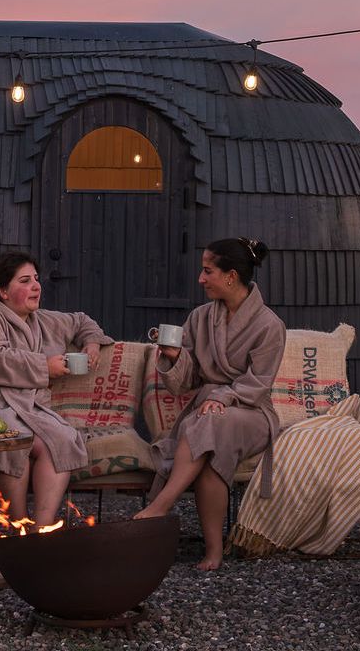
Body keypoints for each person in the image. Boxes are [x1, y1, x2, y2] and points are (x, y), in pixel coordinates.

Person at [134, 237, 287, 570]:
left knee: (208, 423)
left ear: (230, 276)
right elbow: (187, 380)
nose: (201, 279)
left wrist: (222, 397)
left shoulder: (269, 326)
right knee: (211, 449)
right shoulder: (201, 317)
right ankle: (214, 552)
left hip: (251, 413)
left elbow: (257, 384)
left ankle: (160, 506)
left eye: (207, 271)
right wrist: (175, 357)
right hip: (210, 413)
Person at [0, 250, 112, 525]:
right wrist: (43, 367)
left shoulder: (45, 321)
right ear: (3, 291)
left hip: (30, 407)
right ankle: (17, 523)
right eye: (24, 281)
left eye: (36, 279)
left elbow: (83, 321)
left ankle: (41, 529)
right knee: (16, 439)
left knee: (60, 439)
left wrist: (92, 342)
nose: (36, 286)